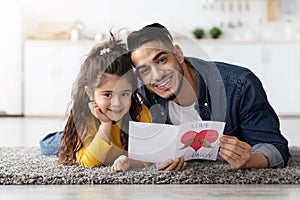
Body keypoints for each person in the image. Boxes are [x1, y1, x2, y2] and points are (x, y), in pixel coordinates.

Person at [126, 23, 289, 171]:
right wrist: (157, 160)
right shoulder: (145, 94)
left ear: (178, 54)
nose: (157, 76)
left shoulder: (240, 85)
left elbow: (276, 147)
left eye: (162, 60)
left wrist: (252, 159)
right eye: (145, 70)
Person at [57, 33, 151, 172]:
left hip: (114, 145)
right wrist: (106, 124)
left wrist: (128, 161)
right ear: (90, 93)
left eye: (124, 94)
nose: (117, 103)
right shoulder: (85, 117)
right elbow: (88, 162)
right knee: (50, 145)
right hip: (80, 133)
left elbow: (148, 157)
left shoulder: (140, 113)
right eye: (107, 94)